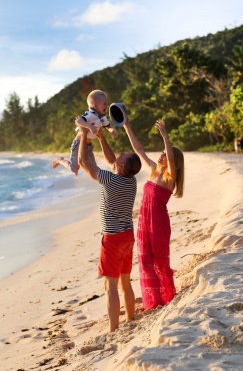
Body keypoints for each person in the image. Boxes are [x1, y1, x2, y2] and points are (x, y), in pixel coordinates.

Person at [77, 124, 142, 332]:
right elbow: (112, 161)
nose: (119, 156)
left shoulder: (110, 180)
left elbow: (83, 163)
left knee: (110, 287)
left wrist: (82, 136)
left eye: (122, 156)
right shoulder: (130, 181)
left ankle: (113, 329)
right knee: (125, 281)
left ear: (122, 167)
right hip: (127, 236)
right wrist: (101, 137)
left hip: (113, 239)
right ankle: (130, 318)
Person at [123, 118, 184, 310]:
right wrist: (126, 125)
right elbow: (139, 149)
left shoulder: (169, 178)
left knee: (159, 261)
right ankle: (152, 300)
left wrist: (165, 136)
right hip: (144, 222)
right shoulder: (154, 170)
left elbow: (172, 160)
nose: (161, 155)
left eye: (165, 154)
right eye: (162, 152)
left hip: (158, 223)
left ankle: (166, 296)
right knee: (145, 261)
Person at [52, 90, 118, 175]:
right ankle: (60, 160)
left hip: (88, 146)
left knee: (93, 167)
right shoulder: (90, 115)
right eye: (104, 103)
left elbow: (107, 126)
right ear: (95, 106)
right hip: (79, 144)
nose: (107, 105)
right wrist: (90, 127)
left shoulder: (102, 117)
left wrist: (113, 130)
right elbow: (79, 121)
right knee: (74, 169)